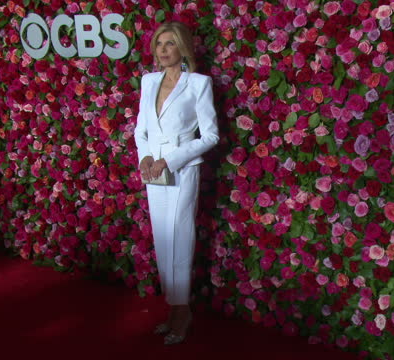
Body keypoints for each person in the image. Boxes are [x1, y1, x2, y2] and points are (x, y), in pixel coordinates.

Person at [134, 21, 219, 345]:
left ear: (182, 48)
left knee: (180, 239)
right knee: (163, 239)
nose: (163, 50)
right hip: (153, 172)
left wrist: (169, 160)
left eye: (170, 43)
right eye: (159, 44)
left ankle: (182, 312)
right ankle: (173, 307)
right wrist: (145, 157)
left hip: (181, 170)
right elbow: (141, 130)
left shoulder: (198, 84)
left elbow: (210, 135)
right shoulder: (149, 81)